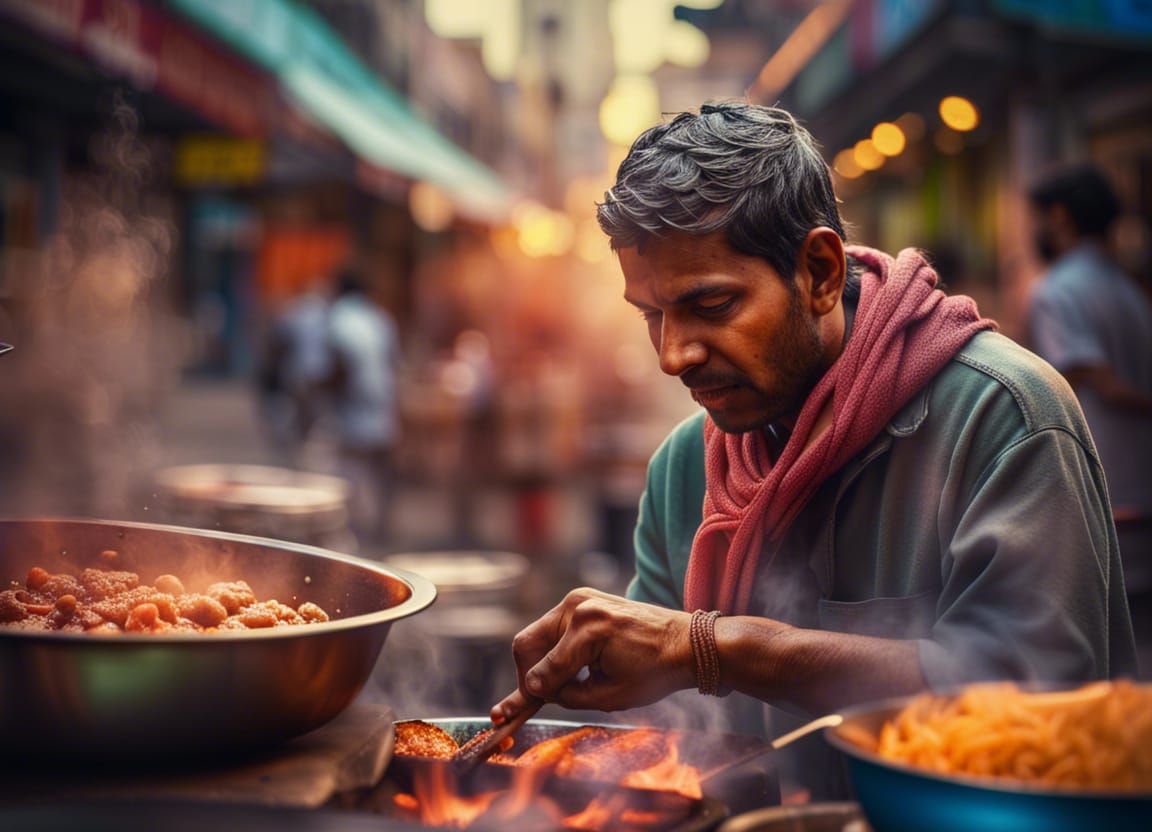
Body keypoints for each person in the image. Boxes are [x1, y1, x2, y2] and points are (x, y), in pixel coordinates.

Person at [491, 102, 1137, 799]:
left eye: (712, 306)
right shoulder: (684, 470)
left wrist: (715, 647)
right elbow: (662, 734)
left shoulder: (1004, 419)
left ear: (821, 273)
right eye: (653, 315)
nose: (673, 356)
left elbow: (1040, 705)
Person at [1026, 164, 1152, 670]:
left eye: (1040, 218)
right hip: (1140, 492)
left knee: (1114, 664)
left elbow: (1077, 386)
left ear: (1060, 217)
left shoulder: (1057, 291)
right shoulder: (1130, 287)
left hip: (1104, 495)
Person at [326, 268, 401, 547]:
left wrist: (326, 396)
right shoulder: (380, 318)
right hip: (383, 400)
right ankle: (383, 527)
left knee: (351, 471)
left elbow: (340, 366)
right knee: (381, 469)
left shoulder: (338, 318)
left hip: (354, 405)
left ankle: (355, 530)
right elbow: (393, 361)